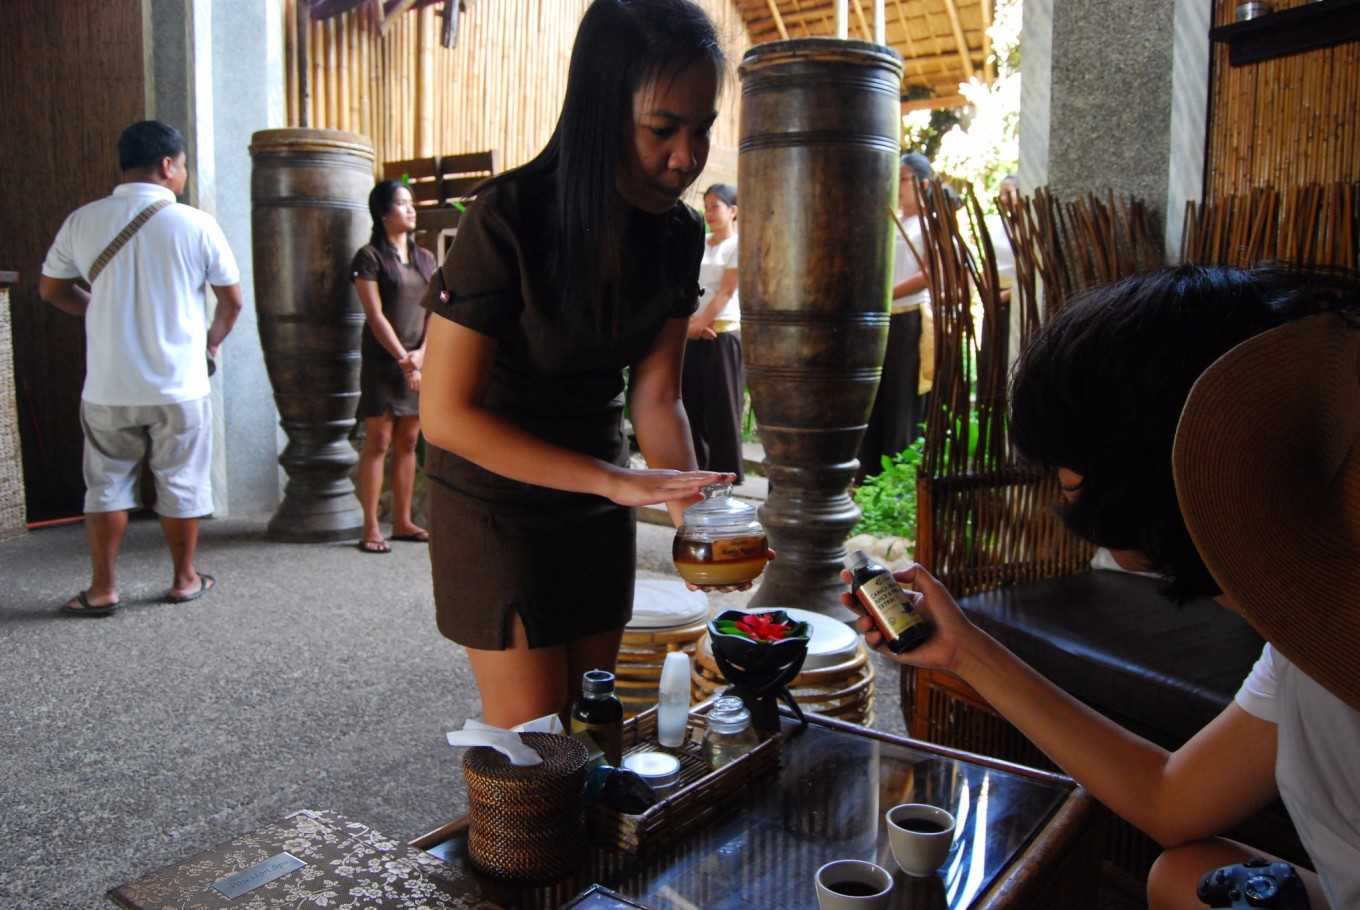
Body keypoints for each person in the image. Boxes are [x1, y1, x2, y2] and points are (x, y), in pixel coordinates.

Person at [844, 266, 1360, 909]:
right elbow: (1172, 798)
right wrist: (964, 650)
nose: (1059, 478)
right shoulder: (1303, 640)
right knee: (1183, 873)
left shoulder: (1333, 658)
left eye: (1066, 457)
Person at [419, 0, 741, 727]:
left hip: (599, 484)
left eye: (702, 130)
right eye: (663, 129)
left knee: (591, 712)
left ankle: (584, 841)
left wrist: (695, 518)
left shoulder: (677, 233)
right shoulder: (508, 216)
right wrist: (618, 481)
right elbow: (444, 415)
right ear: (601, 109)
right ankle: (516, 844)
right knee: (533, 731)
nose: (687, 157)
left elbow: (657, 398)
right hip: (495, 488)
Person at [38, 120, 243, 615]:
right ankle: (184, 578)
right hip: (180, 384)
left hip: (109, 385)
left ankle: (103, 589)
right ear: (168, 165)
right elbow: (232, 302)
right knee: (182, 481)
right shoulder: (197, 224)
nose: (185, 174)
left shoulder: (82, 220)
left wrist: (102, 310)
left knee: (105, 483)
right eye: (184, 165)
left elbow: (51, 290)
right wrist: (210, 345)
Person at [350, 180, 437, 554]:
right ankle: (371, 526)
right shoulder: (368, 257)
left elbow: (437, 310)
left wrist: (423, 355)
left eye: (412, 204)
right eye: (402, 204)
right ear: (383, 212)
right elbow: (374, 315)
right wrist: (404, 358)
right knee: (379, 440)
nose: (411, 210)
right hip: (384, 363)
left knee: (409, 441)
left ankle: (402, 521)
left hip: (418, 362)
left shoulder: (427, 259)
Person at [857, 152, 933, 483]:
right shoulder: (889, 218)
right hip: (881, 318)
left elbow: (930, 273)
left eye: (903, 179)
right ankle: (871, 475)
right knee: (877, 397)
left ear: (923, 183)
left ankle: (899, 475)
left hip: (911, 318)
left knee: (901, 398)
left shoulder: (933, 221)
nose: (898, 186)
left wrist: (885, 296)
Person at [682, 182, 744, 482]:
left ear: (733, 211)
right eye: (705, 206)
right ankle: (698, 471)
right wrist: (690, 328)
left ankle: (727, 475)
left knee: (722, 407)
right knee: (691, 403)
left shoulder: (737, 245)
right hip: (693, 333)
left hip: (721, 333)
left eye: (715, 206)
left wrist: (697, 324)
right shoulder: (700, 241)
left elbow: (726, 292)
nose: (708, 212)